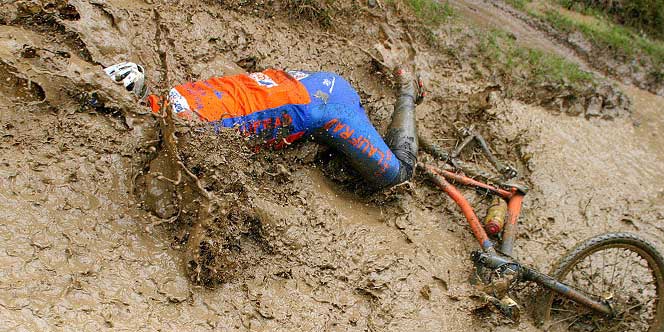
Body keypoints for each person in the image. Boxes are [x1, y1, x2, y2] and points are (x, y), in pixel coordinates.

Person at [104, 62, 424, 190]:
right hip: (299, 82)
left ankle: (407, 91)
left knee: (398, 174)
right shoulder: (175, 98)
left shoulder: (189, 130)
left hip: (329, 106)